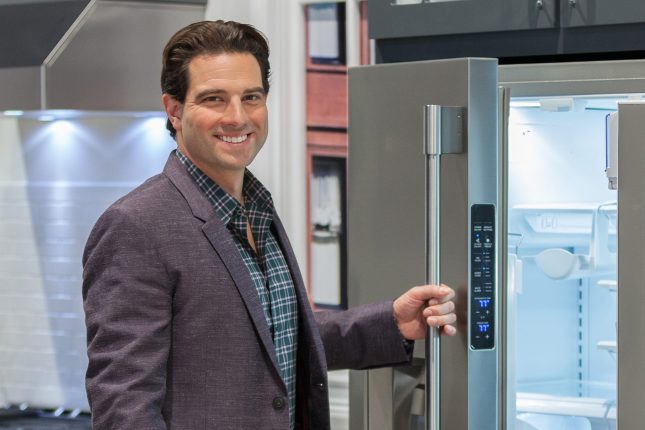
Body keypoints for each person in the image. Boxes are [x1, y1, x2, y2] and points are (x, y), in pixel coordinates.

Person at [82, 20, 457, 430]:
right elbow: (125, 408)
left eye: (251, 97)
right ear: (174, 110)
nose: (238, 117)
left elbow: (275, 336)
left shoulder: (256, 209)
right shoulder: (136, 226)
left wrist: (391, 324)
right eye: (214, 99)